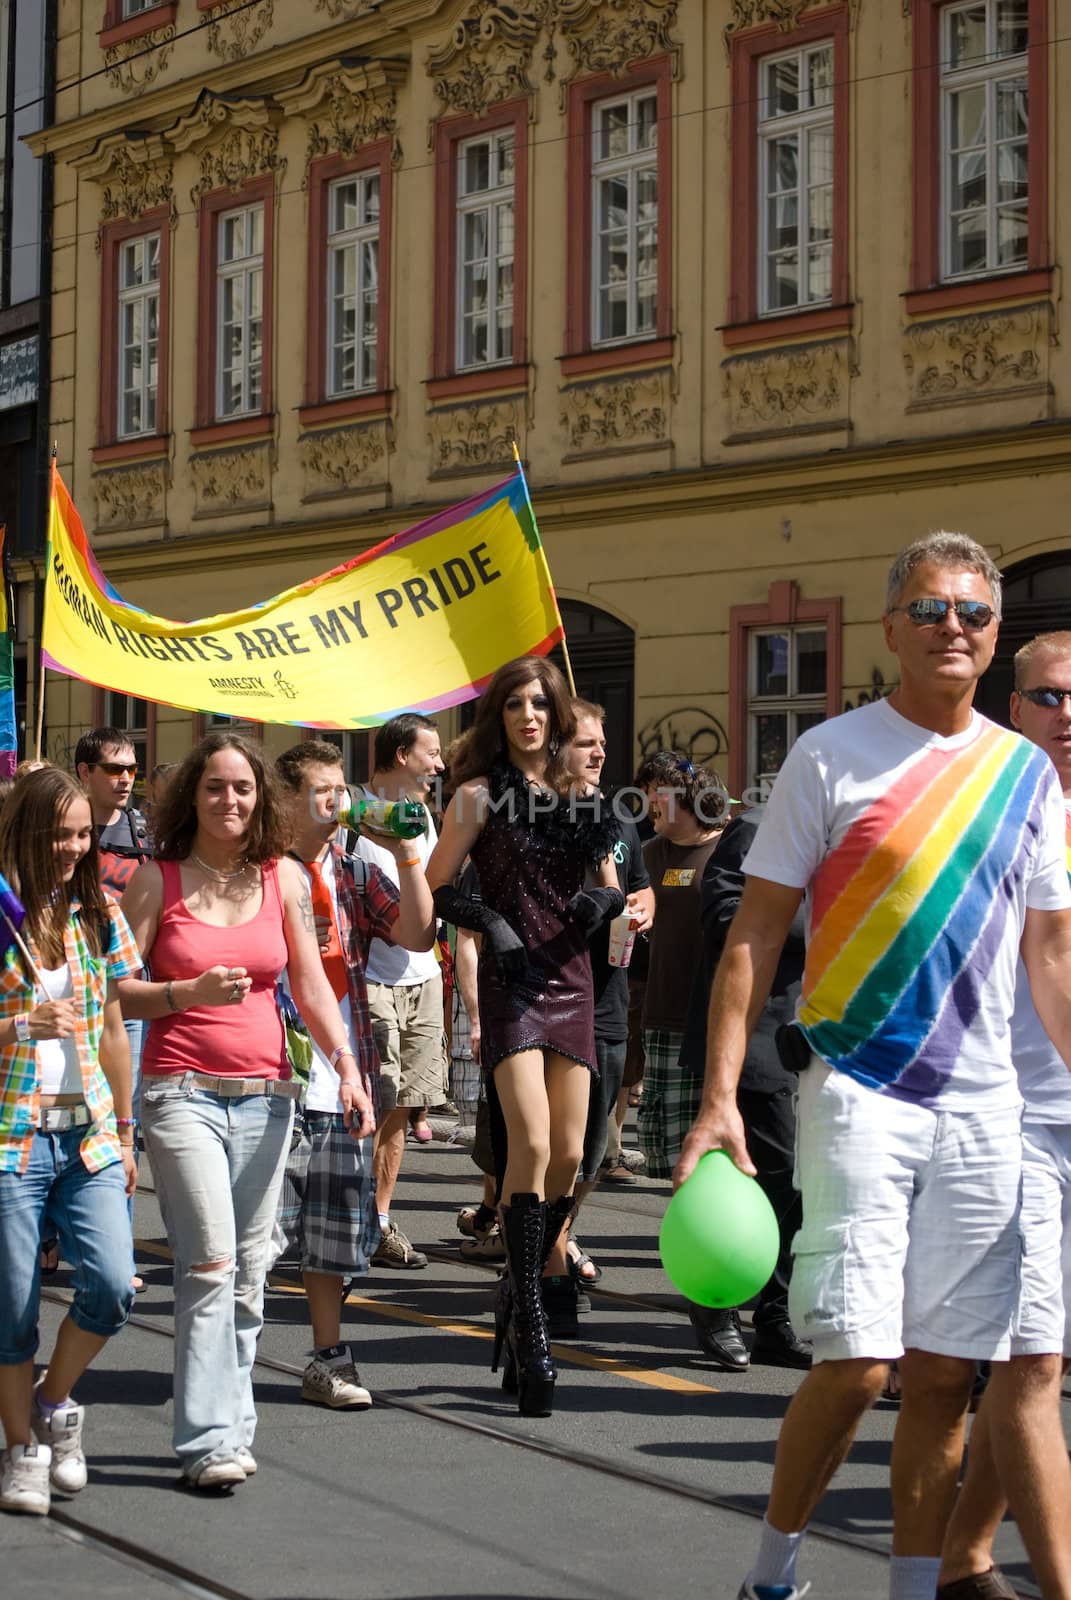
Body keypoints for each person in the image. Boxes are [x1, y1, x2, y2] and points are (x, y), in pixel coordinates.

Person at [675, 533, 1071, 1600]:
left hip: (987, 1108)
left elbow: (1050, 956)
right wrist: (718, 1098)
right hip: (859, 1091)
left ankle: (909, 1587)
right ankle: (774, 1570)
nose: (955, 628)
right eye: (934, 609)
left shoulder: (1027, 773)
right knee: (856, 1362)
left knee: (948, 1375)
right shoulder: (832, 755)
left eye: (976, 615)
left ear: (995, 639)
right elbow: (752, 937)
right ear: (894, 625)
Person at [118, 731, 375, 1490]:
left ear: (259, 797)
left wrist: (349, 1068)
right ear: (190, 796)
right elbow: (115, 990)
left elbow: (311, 983)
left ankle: (231, 1425)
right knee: (208, 1263)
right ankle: (204, 1441)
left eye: (242, 788)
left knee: (250, 1271)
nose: (229, 801)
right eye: (214, 788)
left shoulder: (284, 878)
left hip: (268, 1098)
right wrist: (183, 995)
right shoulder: (155, 880)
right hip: (180, 1094)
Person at [427, 656, 622, 1416]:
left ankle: (518, 1283)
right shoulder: (477, 795)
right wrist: (491, 921)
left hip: (572, 981)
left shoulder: (583, 797)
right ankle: (534, 1324)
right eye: (513, 706)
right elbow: (441, 887)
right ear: (498, 718)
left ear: (557, 713)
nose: (527, 717)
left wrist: (598, 909)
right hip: (512, 985)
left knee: (574, 1155)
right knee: (532, 1148)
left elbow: (609, 883)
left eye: (539, 705)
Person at [937, 632, 1071, 1600]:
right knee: (1033, 1365)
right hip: (1012, 1117)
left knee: (1036, 1365)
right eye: (1053, 698)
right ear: (1009, 705)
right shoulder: (990, 810)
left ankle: (963, 1559)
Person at [273, 741, 435, 1409]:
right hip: (270, 1070)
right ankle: (222, 1345)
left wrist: (405, 852)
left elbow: (421, 934)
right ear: (286, 800)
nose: (341, 802)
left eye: (343, 789)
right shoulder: (256, 873)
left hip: (341, 1074)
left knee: (334, 1233)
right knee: (258, 1233)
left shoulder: (350, 872)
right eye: (324, 791)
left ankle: (329, 1358)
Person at [0, 768, 140, 1516]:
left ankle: (54, 1403)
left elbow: (115, 1030)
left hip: (85, 1136)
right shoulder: (2, 912)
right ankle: (21, 1451)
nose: (74, 847)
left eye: (83, 834)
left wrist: (125, 1129)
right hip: (10, 1138)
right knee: (12, 1307)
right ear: (26, 827)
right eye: (60, 832)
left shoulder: (97, 912)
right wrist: (22, 1024)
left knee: (113, 1286)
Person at [678, 805, 811, 1372]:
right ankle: (720, 1303)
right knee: (758, 1178)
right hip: (755, 1038)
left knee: (798, 1187)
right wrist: (815, 916)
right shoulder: (761, 825)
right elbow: (726, 914)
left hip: (814, 1036)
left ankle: (777, 1317)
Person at [562, 700, 654, 1292]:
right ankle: (545, 1250)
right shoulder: (535, 818)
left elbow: (642, 889)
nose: (599, 753)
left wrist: (642, 910)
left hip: (610, 998)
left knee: (595, 1146)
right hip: (554, 1000)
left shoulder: (619, 819)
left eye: (602, 743)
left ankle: (560, 1230)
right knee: (554, 1146)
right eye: (585, 743)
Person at [357, 713, 445, 1268]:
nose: (439, 765)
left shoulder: (425, 819)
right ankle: (349, 1214)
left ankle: (380, 1219)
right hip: (369, 980)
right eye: (430, 754)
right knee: (371, 1106)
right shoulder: (354, 815)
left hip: (425, 976)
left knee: (404, 1106)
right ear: (399, 756)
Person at [635, 751, 725, 1183]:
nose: (650, 802)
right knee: (675, 1154)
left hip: (714, 1016)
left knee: (714, 1149)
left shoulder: (730, 850)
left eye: (658, 793)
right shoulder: (650, 855)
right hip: (663, 1010)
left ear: (689, 800)